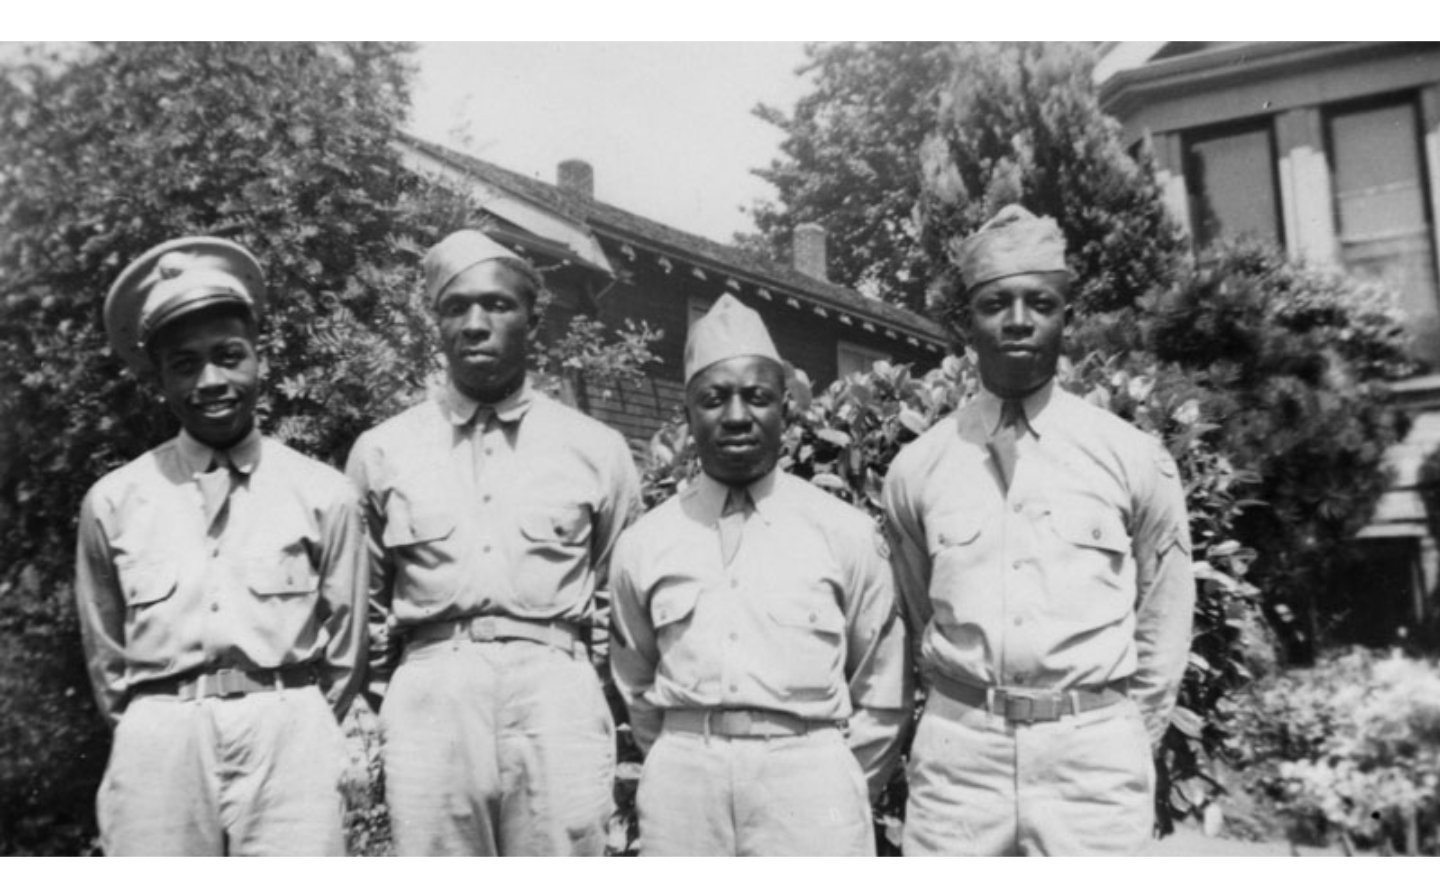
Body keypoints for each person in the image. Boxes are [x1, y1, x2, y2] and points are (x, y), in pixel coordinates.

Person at [882, 206, 1195, 857]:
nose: (1018, 320)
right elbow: (914, 611)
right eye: (996, 303)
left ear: (1065, 318)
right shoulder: (921, 467)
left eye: (1040, 302)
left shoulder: (1131, 457)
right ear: (968, 322)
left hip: (1092, 763)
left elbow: (1164, 621)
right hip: (960, 762)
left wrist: (1121, 737)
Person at [345, 230, 642, 857]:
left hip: (555, 690)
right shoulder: (384, 450)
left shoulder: (595, 449)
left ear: (533, 319)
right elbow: (362, 605)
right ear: (437, 322)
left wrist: (579, 681)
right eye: (456, 308)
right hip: (432, 694)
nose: (476, 324)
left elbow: (623, 596)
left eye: (498, 305)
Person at [75, 236, 367, 857]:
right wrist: (156, 727)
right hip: (161, 735)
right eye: (184, 364)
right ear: (159, 378)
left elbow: (346, 651)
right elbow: (106, 656)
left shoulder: (323, 493)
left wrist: (296, 717)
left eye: (228, 356)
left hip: (288, 729)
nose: (211, 381)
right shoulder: (115, 500)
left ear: (260, 359)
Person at [609, 294, 912, 857]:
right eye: (714, 398)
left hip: (808, 781)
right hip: (685, 787)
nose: (737, 415)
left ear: (786, 410)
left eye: (758, 397)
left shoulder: (843, 533)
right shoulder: (645, 542)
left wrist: (835, 781)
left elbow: (883, 683)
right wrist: (684, 756)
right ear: (688, 412)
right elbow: (634, 679)